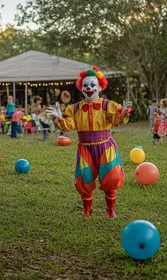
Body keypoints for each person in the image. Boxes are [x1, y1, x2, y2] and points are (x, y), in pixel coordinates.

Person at [47, 66, 131, 218]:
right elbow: (69, 126)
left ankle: (111, 210)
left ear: (99, 87)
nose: (89, 87)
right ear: (81, 89)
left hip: (105, 147)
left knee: (111, 177)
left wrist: (122, 113)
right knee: (84, 179)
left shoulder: (107, 105)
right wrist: (59, 118)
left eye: (92, 84)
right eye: (85, 85)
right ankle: (87, 210)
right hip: (85, 149)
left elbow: (115, 120)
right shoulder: (75, 109)